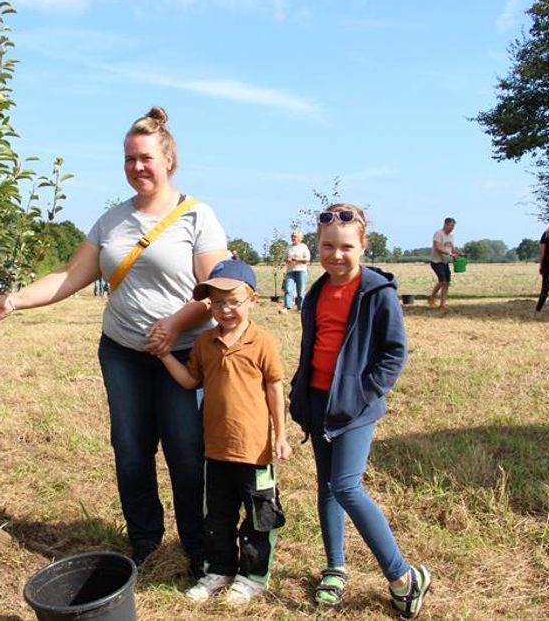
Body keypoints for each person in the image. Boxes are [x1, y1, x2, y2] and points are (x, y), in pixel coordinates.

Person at [0, 107, 230, 575]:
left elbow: (217, 291)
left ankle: (198, 548)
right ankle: (145, 541)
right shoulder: (110, 222)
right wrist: (12, 302)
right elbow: (69, 276)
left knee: (185, 451)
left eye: (146, 157)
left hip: (183, 355)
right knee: (131, 449)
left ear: (169, 160)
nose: (137, 166)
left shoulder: (198, 216)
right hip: (122, 354)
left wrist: (175, 324)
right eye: (129, 158)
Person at [289, 203, 431, 618]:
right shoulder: (316, 292)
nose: (336, 255)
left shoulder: (377, 292)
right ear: (317, 246)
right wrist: (300, 393)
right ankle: (335, 567)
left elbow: (394, 352)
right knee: (326, 487)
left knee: (346, 486)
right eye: (328, 246)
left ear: (363, 246)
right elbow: (312, 346)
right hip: (318, 402)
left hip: (355, 407)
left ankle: (403, 577)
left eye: (346, 247)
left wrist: (364, 393)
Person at [158, 260, 289, 605]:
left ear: (252, 300)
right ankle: (219, 570)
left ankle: (252, 577)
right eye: (216, 303)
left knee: (259, 516)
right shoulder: (205, 342)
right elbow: (190, 380)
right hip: (215, 450)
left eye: (233, 301)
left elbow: (275, 389)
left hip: (254, 451)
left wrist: (281, 435)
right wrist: (165, 355)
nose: (225, 309)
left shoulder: (262, 342)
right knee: (217, 515)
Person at [428, 217, 460, 309]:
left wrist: (459, 253)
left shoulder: (451, 236)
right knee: (443, 282)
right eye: (451, 225)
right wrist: (450, 254)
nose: (452, 228)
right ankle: (432, 297)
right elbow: (437, 248)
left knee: (447, 283)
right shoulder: (438, 234)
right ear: (446, 224)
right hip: (436, 261)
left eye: (453, 226)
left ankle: (443, 304)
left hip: (445, 262)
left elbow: (452, 249)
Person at [281, 229, 311, 313]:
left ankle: (300, 308)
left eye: (295, 236)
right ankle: (287, 307)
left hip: (301, 270)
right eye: (292, 236)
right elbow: (285, 258)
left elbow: (307, 259)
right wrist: (287, 260)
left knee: (300, 291)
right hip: (290, 271)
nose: (293, 238)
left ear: (300, 238)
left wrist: (297, 259)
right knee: (288, 288)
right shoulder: (289, 247)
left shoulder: (303, 247)